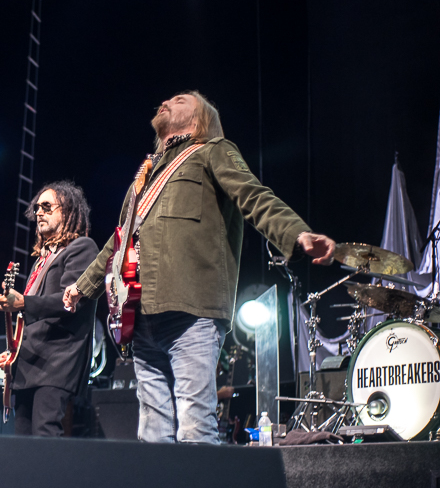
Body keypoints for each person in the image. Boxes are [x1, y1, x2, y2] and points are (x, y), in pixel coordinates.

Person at [63, 91, 335, 444]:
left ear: (201, 119)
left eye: (180, 100)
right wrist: (82, 287)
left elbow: (255, 196)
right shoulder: (141, 181)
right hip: (140, 317)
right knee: (151, 432)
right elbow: (118, 244)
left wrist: (296, 234)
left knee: (195, 425)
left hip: (192, 310)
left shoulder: (213, 150)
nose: (167, 102)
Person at [0, 181, 99, 437]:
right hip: (31, 359)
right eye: (37, 208)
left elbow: (69, 301)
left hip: (57, 360)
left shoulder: (82, 249)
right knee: (23, 439)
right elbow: (30, 319)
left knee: (44, 433)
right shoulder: (41, 259)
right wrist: (13, 351)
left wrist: (22, 303)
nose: (39, 212)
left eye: (47, 206)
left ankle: (52, 479)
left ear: (68, 211)